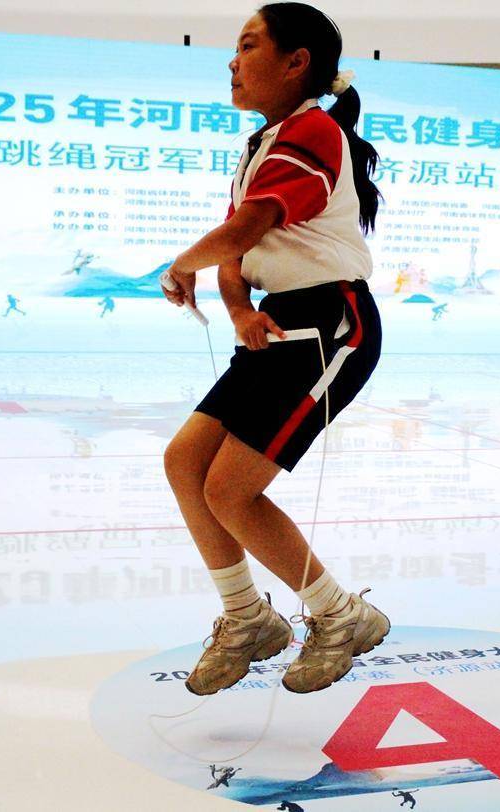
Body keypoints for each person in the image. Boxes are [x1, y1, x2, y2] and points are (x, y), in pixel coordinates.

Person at [162, 2, 388, 696]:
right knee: (185, 462)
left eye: (249, 45)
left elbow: (243, 230)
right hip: (280, 321)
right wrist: (237, 309)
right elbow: (239, 252)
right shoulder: (264, 143)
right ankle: (247, 618)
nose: (233, 61)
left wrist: (181, 264)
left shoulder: (313, 131)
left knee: (230, 490)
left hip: (330, 324)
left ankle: (342, 616)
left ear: (297, 63)